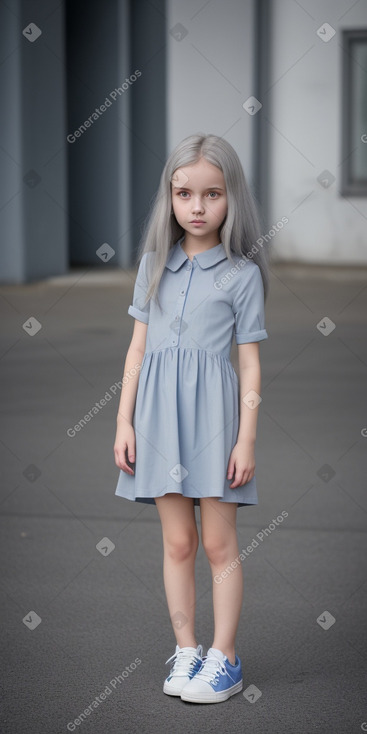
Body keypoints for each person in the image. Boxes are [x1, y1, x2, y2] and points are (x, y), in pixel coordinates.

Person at [113, 133, 269, 704]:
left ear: (233, 201)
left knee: (218, 546)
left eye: (212, 194)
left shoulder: (243, 275)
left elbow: (249, 366)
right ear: (170, 197)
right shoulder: (154, 265)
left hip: (214, 426)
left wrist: (245, 439)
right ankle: (186, 650)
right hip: (157, 422)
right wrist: (124, 421)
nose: (197, 207)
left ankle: (225, 657)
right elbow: (136, 350)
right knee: (178, 543)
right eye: (184, 193)